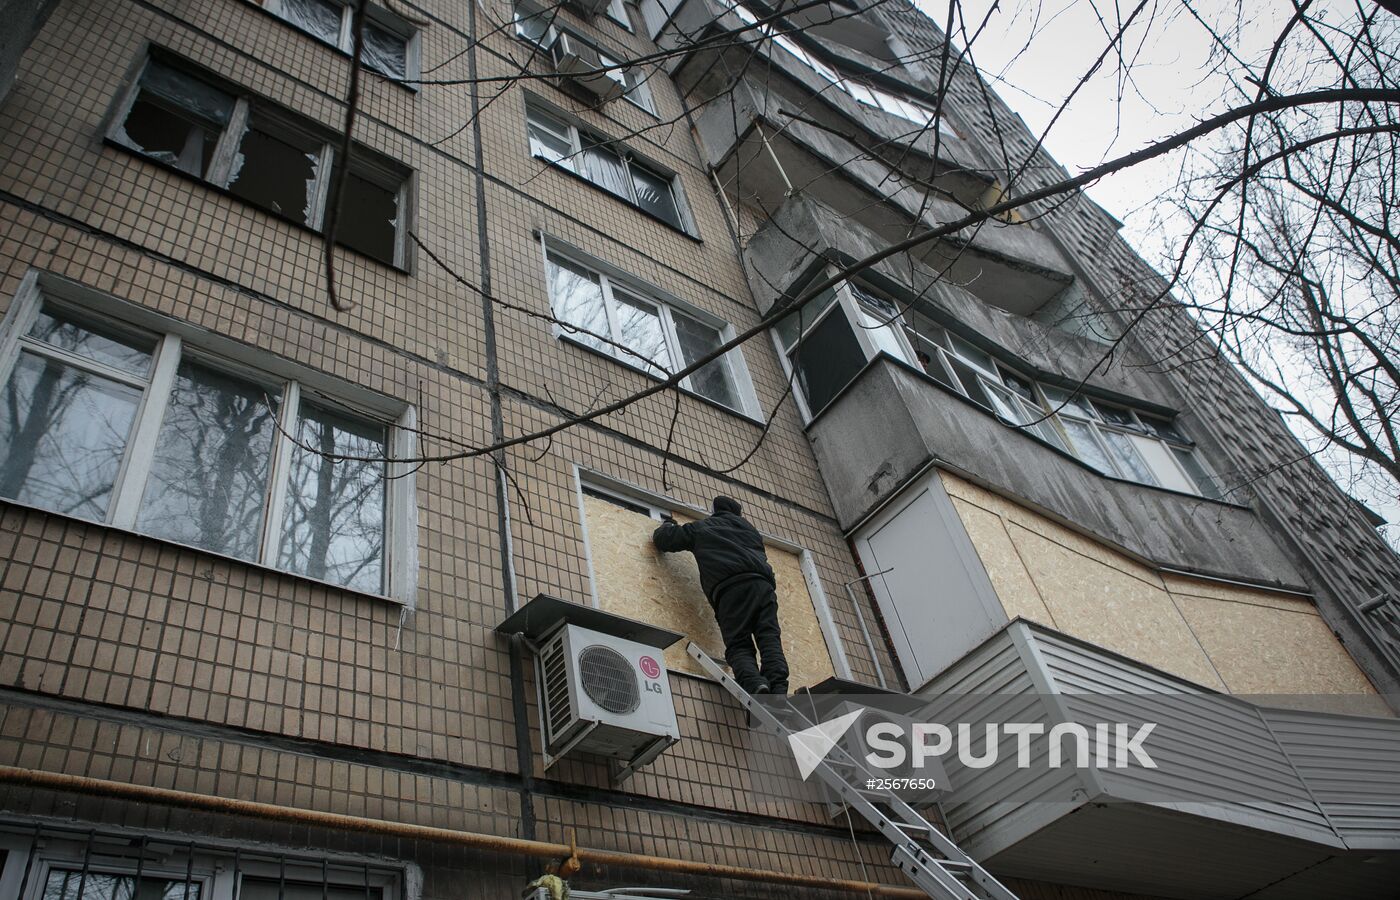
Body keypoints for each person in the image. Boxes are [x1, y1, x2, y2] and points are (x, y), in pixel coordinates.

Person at [652, 496, 789, 695]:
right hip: (763, 587)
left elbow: (665, 540)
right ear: (738, 514)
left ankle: (754, 684)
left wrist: (667, 524)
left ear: (715, 510)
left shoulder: (703, 527)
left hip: (730, 590)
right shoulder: (752, 532)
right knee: (769, 638)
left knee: (738, 644)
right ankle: (778, 687)